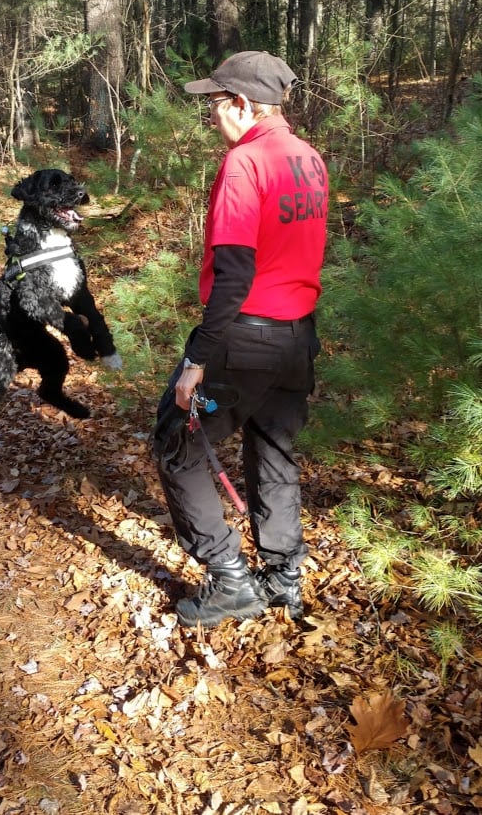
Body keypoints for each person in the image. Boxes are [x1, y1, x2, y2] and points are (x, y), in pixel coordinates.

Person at [153, 51, 328, 628]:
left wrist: (196, 359)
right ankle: (283, 577)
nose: (211, 116)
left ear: (243, 104)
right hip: (296, 340)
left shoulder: (244, 163)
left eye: (215, 103)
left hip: (244, 338)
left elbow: (234, 274)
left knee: (177, 444)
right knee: (273, 450)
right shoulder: (308, 158)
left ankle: (230, 580)